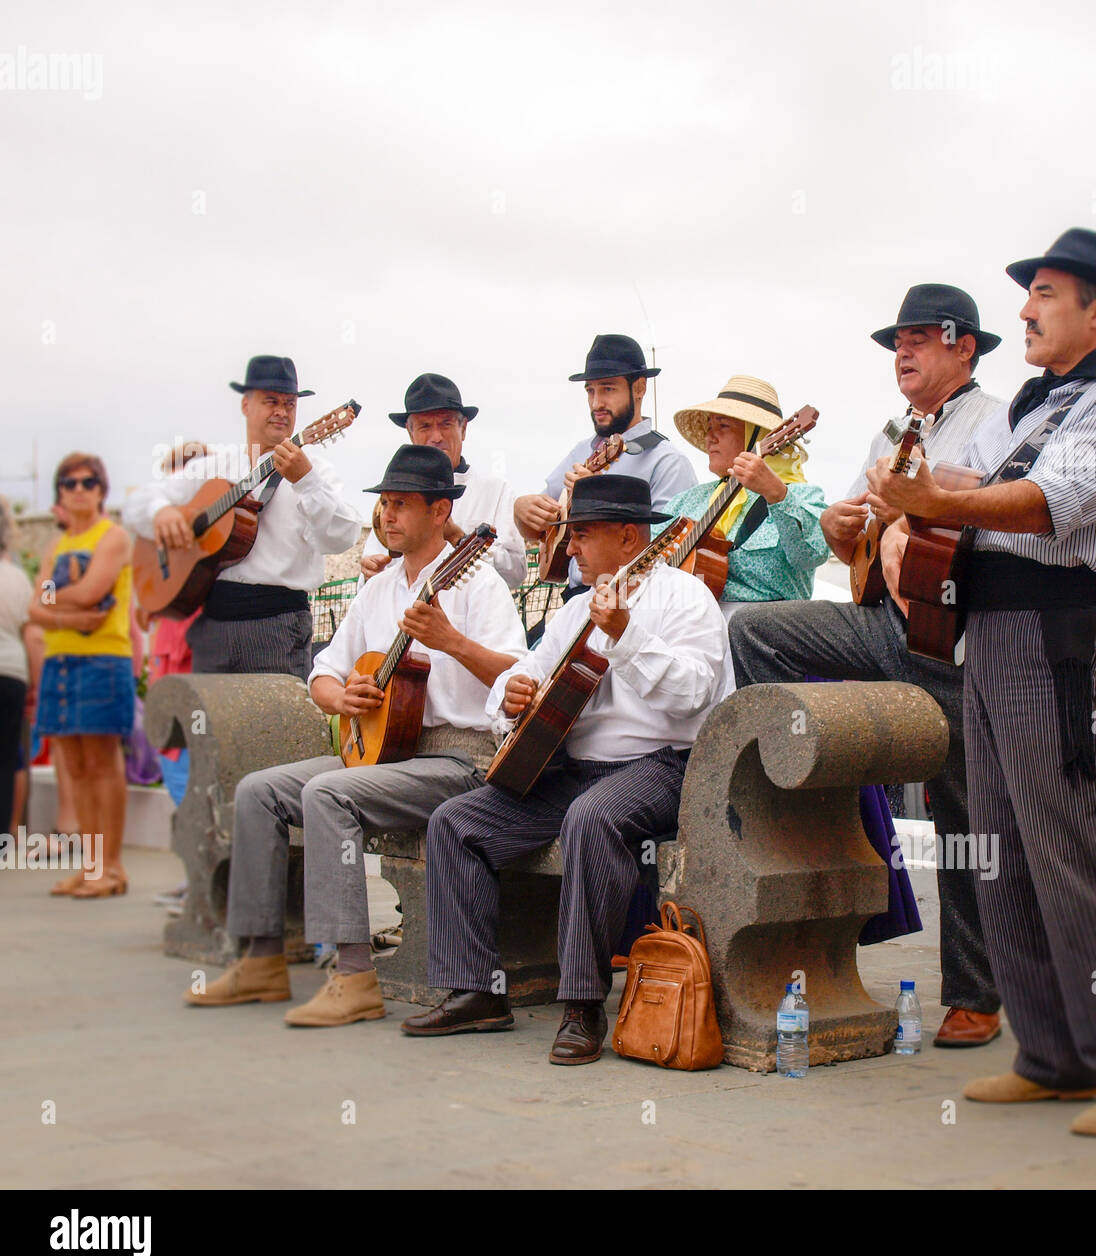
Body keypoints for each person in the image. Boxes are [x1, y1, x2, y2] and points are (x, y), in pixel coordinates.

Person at [868, 227, 1096, 1136]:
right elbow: (996, 478)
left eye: (1044, 293)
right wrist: (919, 482)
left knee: (1071, 853)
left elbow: (1050, 503)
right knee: (1004, 850)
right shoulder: (1048, 400)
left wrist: (935, 499)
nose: (1023, 309)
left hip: (1055, 633)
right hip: (995, 633)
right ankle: (1053, 1059)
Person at [728, 284, 1006, 1047]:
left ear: (964, 346)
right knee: (757, 632)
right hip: (880, 621)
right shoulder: (890, 431)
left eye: (920, 338)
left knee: (962, 816)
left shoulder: (996, 421)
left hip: (955, 636)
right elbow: (844, 536)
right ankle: (789, 802)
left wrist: (933, 500)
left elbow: (1009, 519)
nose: (904, 352)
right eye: (897, 342)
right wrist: (838, 520)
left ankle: (976, 994)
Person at [185, 446, 527, 1023]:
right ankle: (262, 958)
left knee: (328, 793)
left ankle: (353, 977)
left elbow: (519, 677)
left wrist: (450, 642)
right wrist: (343, 699)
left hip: (458, 760)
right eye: (385, 504)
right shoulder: (379, 587)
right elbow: (323, 671)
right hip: (385, 756)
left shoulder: (477, 583)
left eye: (402, 505)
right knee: (258, 792)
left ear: (441, 511)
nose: (387, 517)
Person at [404, 475, 733, 1065]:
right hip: (577, 768)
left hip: (664, 765)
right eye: (568, 535)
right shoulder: (576, 609)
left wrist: (626, 636)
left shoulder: (686, 596)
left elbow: (694, 693)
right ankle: (476, 990)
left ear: (630, 536)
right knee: (454, 822)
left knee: (591, 817)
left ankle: (582, 1004)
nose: (570, 548)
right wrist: (511, 693)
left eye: (581, 535)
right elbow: (523, 671)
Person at [123, 356, 362, 680]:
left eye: (290, 404)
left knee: (275, 727)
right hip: (213, 626)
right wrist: (161, 512)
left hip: (278, 628)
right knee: (210, 729)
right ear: (246, 405)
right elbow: (139, 502)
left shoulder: (316, 473)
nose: (282, 411)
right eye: (271, 401)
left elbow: (342, 536)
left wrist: (306, 481)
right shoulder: (214, 467)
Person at [512, 335, 697, 594]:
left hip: (635, 599)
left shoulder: (668, 462)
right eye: (590, 390)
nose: (597, 403)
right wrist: (521, 512)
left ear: (640, 388)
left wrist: (597, 502)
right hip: (577, 599)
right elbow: (540, 527)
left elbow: (669, 550)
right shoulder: (581, 451)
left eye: (608, 389)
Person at [28, 454, 133, 898]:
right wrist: (71, 614)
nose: (78, 489)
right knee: (72, 764)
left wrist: (56, 604)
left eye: (88, 482)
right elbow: (36, 607)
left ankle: (110, 868)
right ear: (60, 492)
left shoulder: (113, 537)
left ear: (100, 489)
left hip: (103, 661)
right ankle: (91, 867)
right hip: (61, 661)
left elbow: (94, 590)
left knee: (102, 763)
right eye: (69, 483)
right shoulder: (56, 546)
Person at [659, 375, 828, 616]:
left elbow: (810, 556)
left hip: (769, 633)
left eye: (723, 426)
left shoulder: (802, 496)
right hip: (689, 627)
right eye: (709, 427)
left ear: (757, 435)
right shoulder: (685, 502)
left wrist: (777, 494)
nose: (710, 437)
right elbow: (649, 567)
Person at [358, 374, 527, 589]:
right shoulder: (393, 498)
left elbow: (515, 573)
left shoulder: (495, 492)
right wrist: (370, 575)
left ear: (463, 428)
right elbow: (370, 578)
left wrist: (458, 539)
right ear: (410, 433)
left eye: (445, 424)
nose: (436, 436)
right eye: (425, 426)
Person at [0, 497, 35, 833]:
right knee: (11, 755)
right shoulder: (18, 578)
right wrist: (36, 680)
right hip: (12, 673)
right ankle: (7, 834)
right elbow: (33, 632)